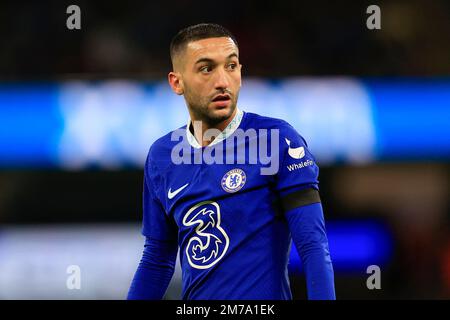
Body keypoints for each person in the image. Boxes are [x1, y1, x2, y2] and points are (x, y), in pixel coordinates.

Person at [127, 23, 335, 300]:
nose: (223, 81)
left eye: (231, 66)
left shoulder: (276, 139)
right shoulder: (162, 156)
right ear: (177, 82)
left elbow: (313, 245)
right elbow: (157, 260)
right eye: (206, 68)